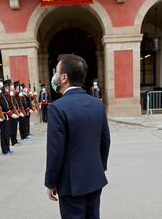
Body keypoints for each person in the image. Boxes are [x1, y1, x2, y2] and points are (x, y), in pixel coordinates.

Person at [45, 54, 110, 219]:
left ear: (64, 77)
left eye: (56, 72)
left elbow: (55, 151)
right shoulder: (97, 104)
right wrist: (98, 167)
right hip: (94, 177)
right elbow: (105, 141)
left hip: (71, 182)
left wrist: (51, 182)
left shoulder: (57, 108)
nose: (55, 75)